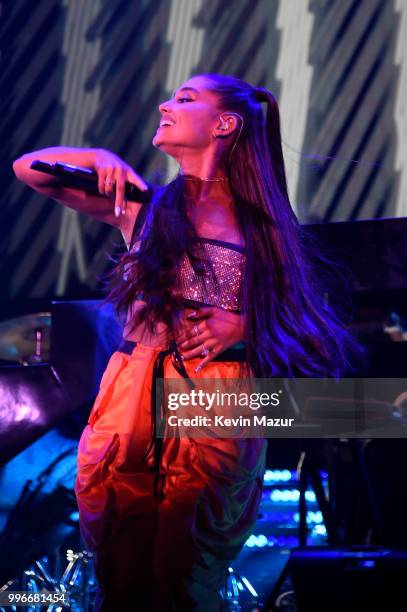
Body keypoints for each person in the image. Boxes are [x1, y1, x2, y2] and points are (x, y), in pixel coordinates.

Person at [13, 73, 361, 611]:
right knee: (120, 570)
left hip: (216, 395)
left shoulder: (261, 226)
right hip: (131, 389)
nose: (164, 103)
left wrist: (247, 325)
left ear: (225, 125)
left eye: (185, 98)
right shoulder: (146, 206)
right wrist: (95, 154)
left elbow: (312, 326)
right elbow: (28, 168)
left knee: (183, 571)